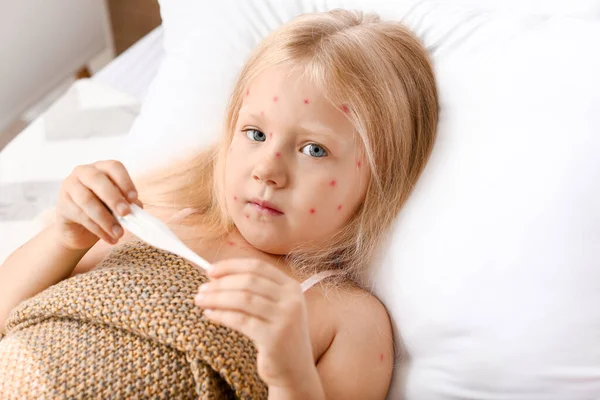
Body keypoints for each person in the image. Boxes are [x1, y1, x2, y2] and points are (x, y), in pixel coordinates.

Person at [0, 9, 438, 399]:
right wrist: (64, 236)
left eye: (314, 150)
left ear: (378, 179)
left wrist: (289, 374)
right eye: (255, 134)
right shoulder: (149, 218)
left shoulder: (346, 317)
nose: (268, 169)